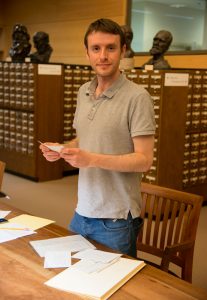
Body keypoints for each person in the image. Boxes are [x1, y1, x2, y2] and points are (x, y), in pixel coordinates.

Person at [40, 18, 155, 258]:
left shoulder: (137, 97)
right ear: (87, 53)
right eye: (96, 48)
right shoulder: (84, 91)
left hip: (115, 220)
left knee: (115, 293)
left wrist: (91, 159)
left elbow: (144, 160)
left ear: (122, 50)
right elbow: (85, 139)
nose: (103, 56)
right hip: (82, 212)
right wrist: (62, 150)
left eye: (110, 48)